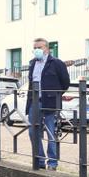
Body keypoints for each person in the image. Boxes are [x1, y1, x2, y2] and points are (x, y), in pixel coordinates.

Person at [25, 37, 71, 170]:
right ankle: (39, 160)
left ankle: (52, 163)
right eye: (34, 48)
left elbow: (65, 83)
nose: (36, 50)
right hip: (34, 101)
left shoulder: (56, 63)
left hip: (50, 102)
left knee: (51, 132)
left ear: (47, 48)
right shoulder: (32, 63)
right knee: (33, 131)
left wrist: (55, 95)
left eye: (39, 47)